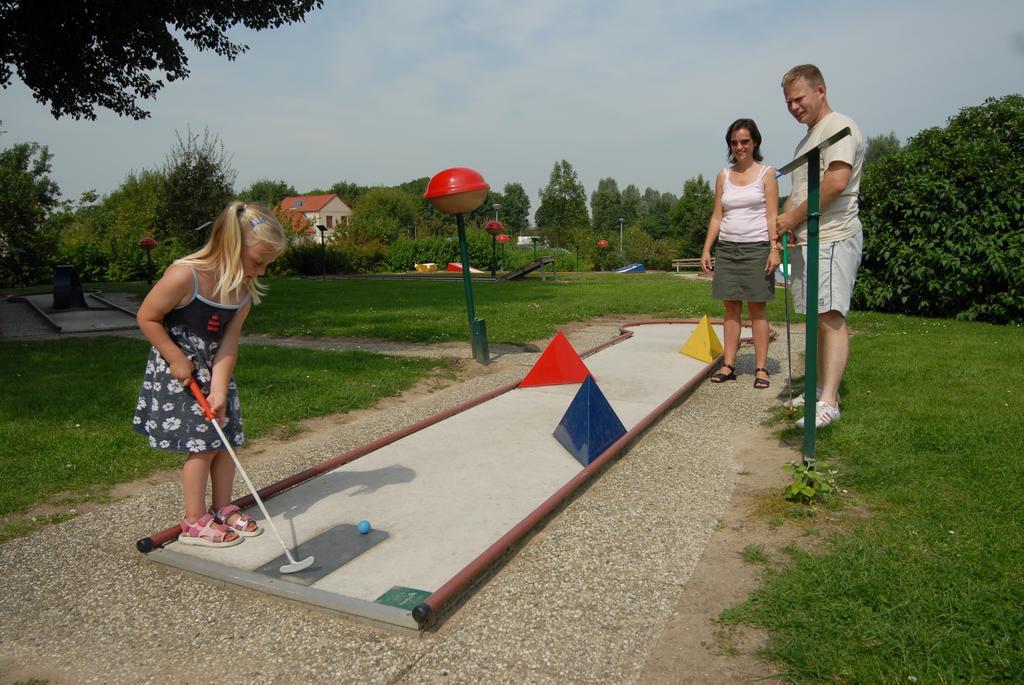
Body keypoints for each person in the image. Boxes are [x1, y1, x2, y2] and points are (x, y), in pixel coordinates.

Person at [133, 201, 287, 546]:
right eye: (258, 262)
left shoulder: (242, 292)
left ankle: (222, 508)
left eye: (267, 265)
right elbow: (147, 317)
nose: (260, 271)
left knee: (226, 440)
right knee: (201, 445)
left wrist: (219, 389)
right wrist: (175, 357)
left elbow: (228, 343)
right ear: (232, 246)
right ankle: (193, 520)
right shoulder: (184, 275)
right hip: (180, 372)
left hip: (214, 370)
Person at [776, 64, 865, 428]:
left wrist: (792, 218)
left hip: (831, 236)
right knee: (815, 316)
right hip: (808, 239)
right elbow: (800, 190)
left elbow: (835, 183)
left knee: (830, 316)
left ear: (820, 91)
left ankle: (829, 400)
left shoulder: (839, 128)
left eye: (799, 99)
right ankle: (816, 389)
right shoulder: (808, 138)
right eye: (788, 102)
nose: (794, 107)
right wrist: (784, 222)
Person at [701, 118, 780, 388]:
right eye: (734, 142)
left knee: (757, 307)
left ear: (754, 142)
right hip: (728, 249)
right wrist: (707, 248)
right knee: (730, 307)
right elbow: (716, 216)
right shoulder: (723, 175)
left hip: (757, 248)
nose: (739, 147)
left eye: (744, 141)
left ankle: (761, 367)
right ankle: (729, 364)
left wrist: (774, 248)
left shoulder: (767, 174)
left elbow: (772, 215)